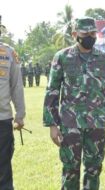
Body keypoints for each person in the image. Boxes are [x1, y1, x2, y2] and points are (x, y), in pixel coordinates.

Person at [43, 17, 105, 190]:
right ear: (74, 34)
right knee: (70, 170)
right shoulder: (62, 57)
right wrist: (52, 125)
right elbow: (52, 91)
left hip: (96, 123)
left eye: (93, 33)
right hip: (70, 124)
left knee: (94, 169)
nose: (90, 36)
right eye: (85, 33)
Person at [0, 16, 25, 190]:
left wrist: (20, 115)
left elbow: (17, 86)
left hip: (3, 120)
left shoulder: (9, 53)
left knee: (3, 166)